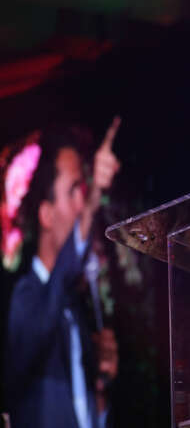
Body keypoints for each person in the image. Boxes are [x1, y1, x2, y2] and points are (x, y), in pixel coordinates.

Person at [3, 121, 121, 428]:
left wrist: (102, 388)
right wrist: (94, 200)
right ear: (46, 214)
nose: (81, 204)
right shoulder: (25, 297)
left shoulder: (73, 309)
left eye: (83, 191)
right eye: (73, 192)